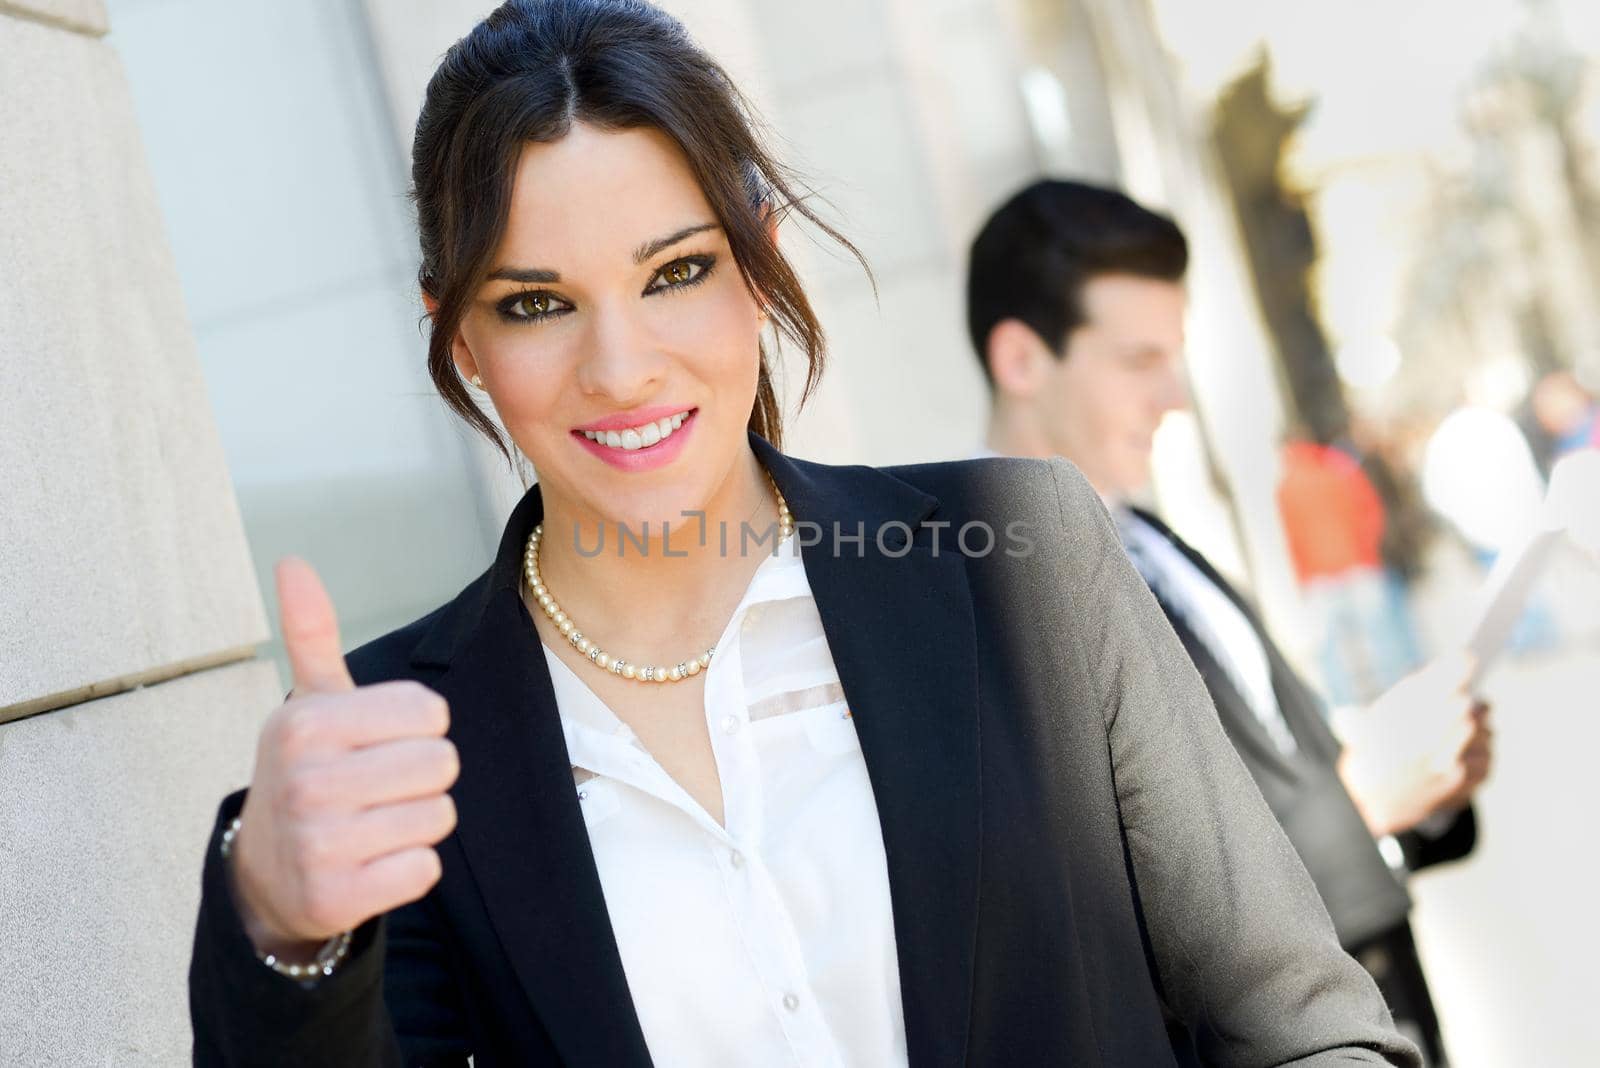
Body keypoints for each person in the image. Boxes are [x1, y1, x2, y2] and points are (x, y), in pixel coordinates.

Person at [188, 5, 1422, 1065]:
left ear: (758, 262)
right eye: (535, 304)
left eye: (673, 272)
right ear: (460, 339)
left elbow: (1298, 1024)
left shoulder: (1023, 558)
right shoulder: (410, 739)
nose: (619, 369)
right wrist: (284, 935)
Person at [965, 178, 1491, 1067]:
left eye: (1175, 356)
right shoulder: (991, 596)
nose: (1174, 396)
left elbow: (1258, 769)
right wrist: (1363, 810)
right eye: (1139, 360)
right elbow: (1099, 925)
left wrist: (1413, 784)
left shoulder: (1148, 537)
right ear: (1021, 360)